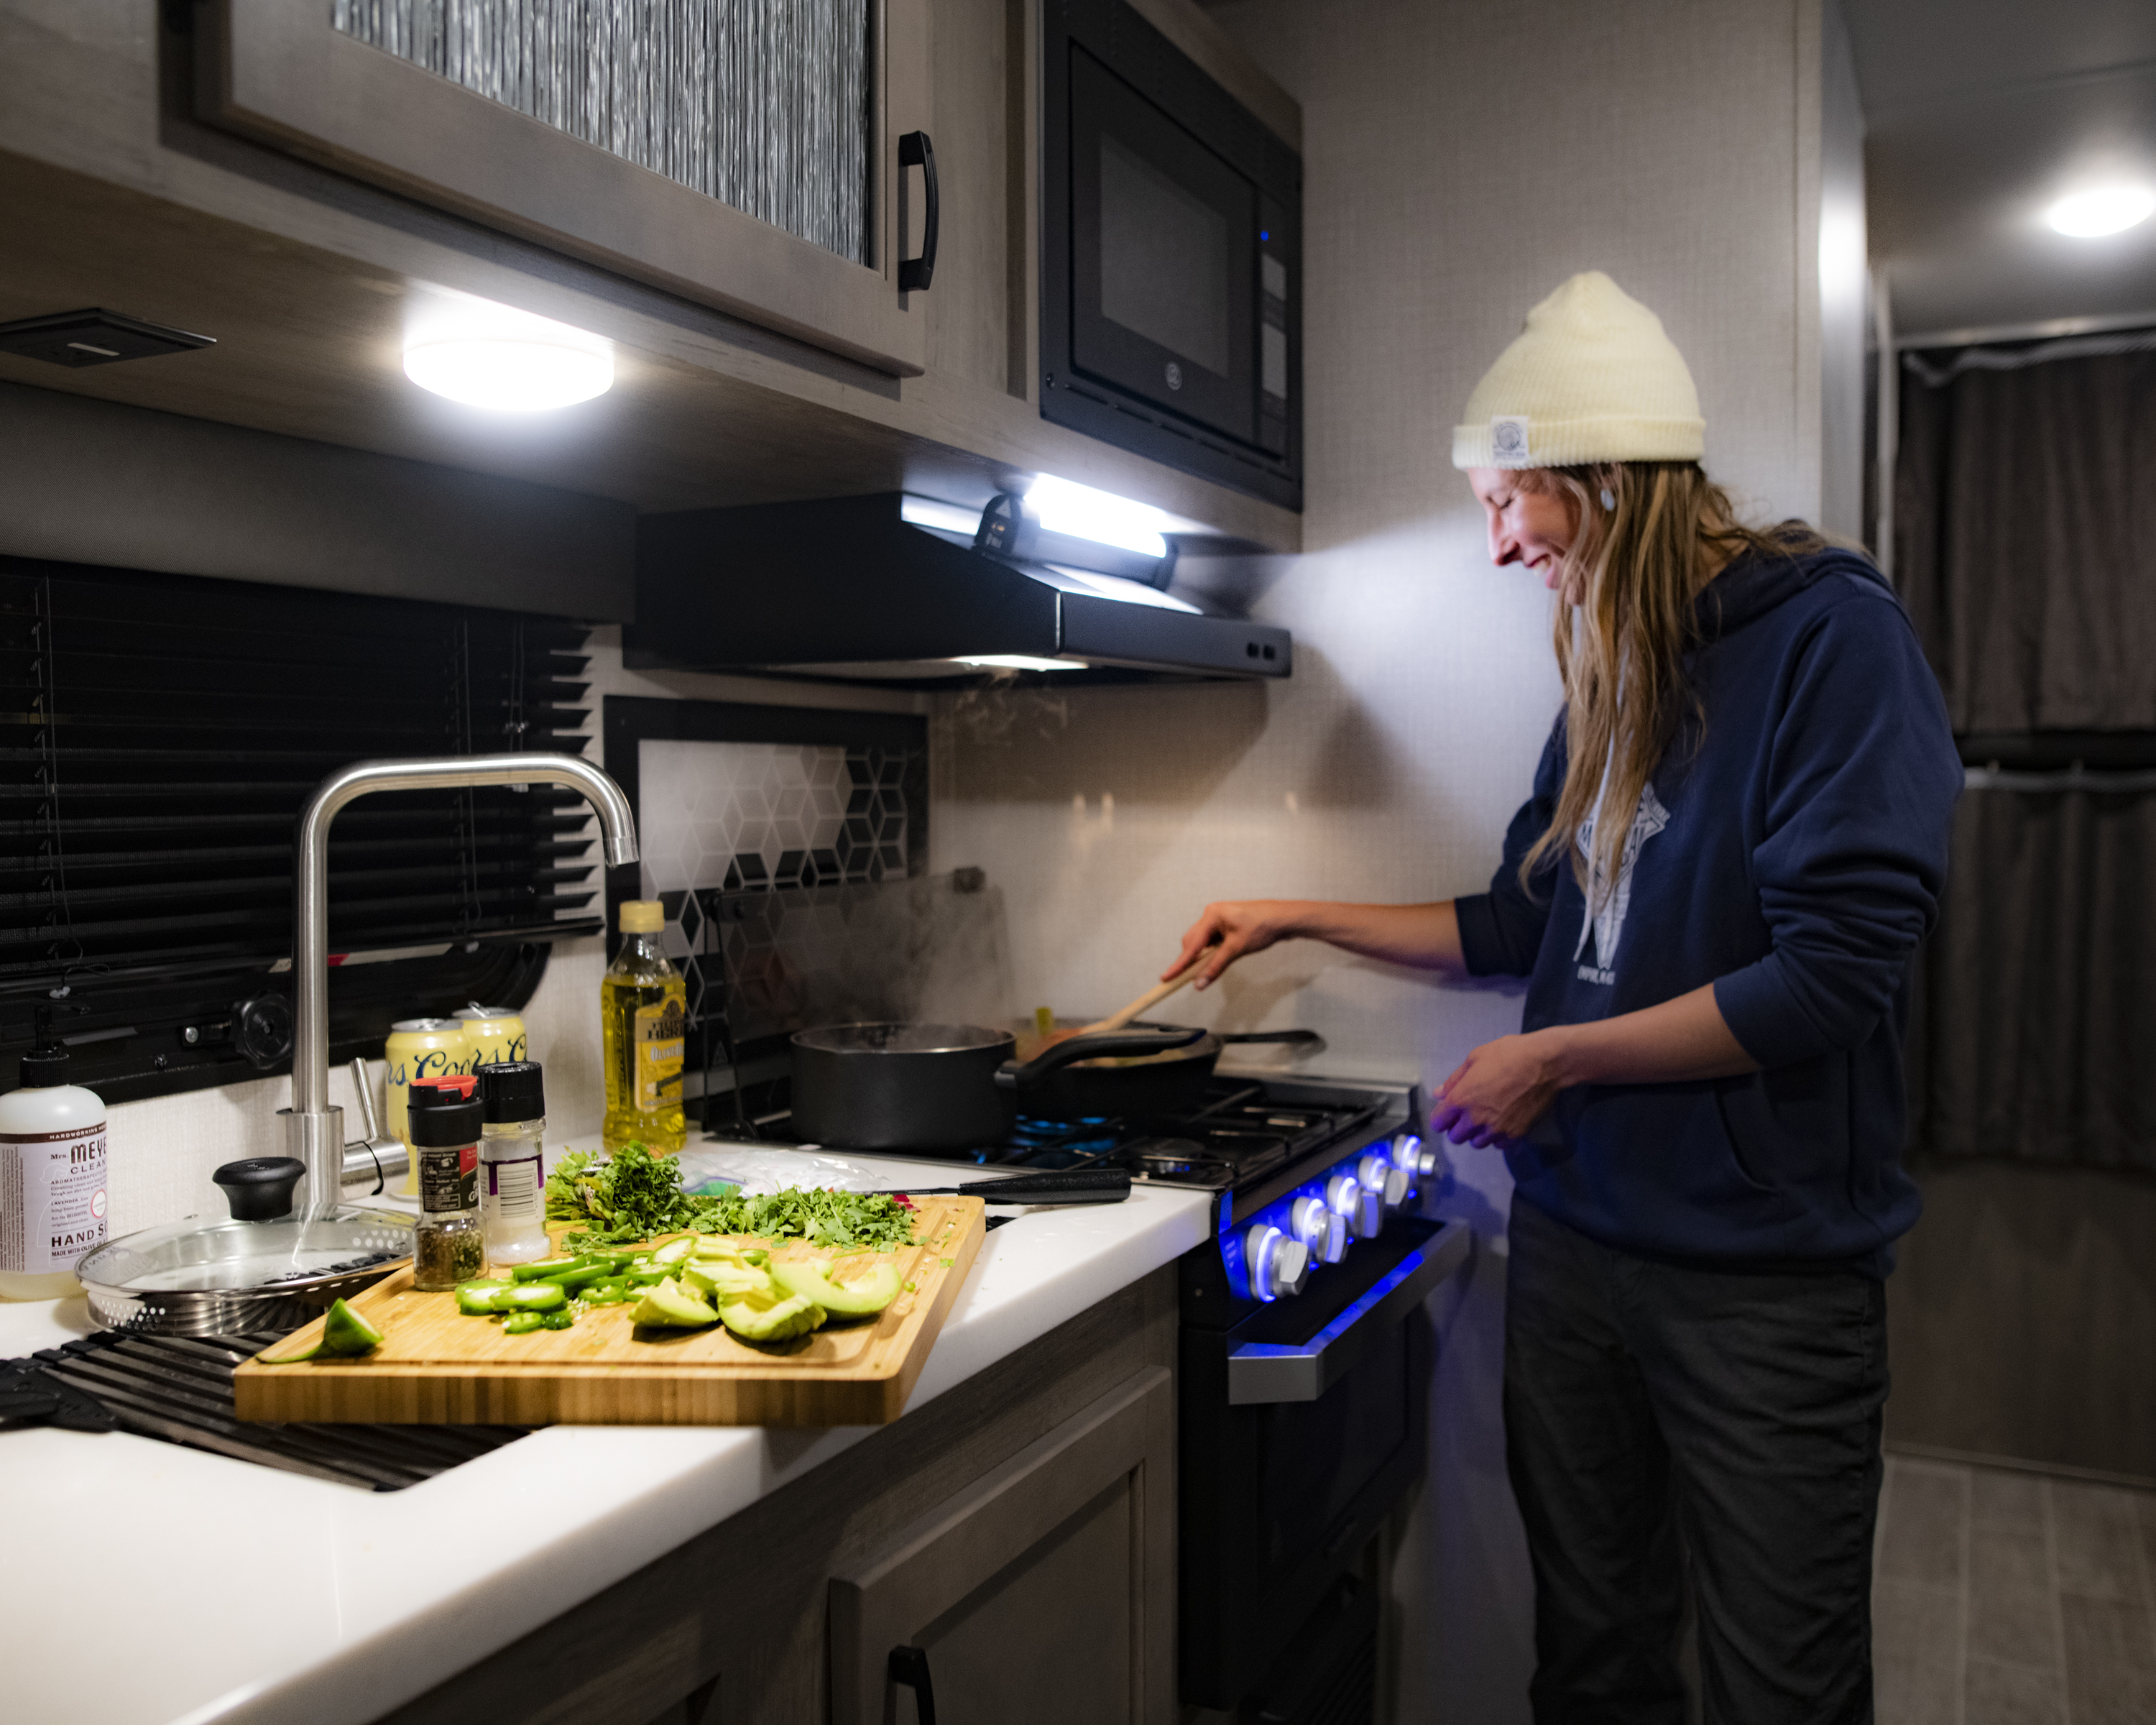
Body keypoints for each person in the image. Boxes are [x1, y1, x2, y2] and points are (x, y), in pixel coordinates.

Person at [1166, 272, 1963, 1724]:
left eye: (1509, 501)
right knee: (1594, 1668)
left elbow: (1829, 980)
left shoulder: (1833, 643)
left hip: (1764, 1290)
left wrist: (1560, 1066)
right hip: (1580, 1257)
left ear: (1606, 480)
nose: (1494, 546)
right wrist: (1294, 912)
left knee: (1782, 1692)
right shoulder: (1613, 665)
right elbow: (1524, 920)